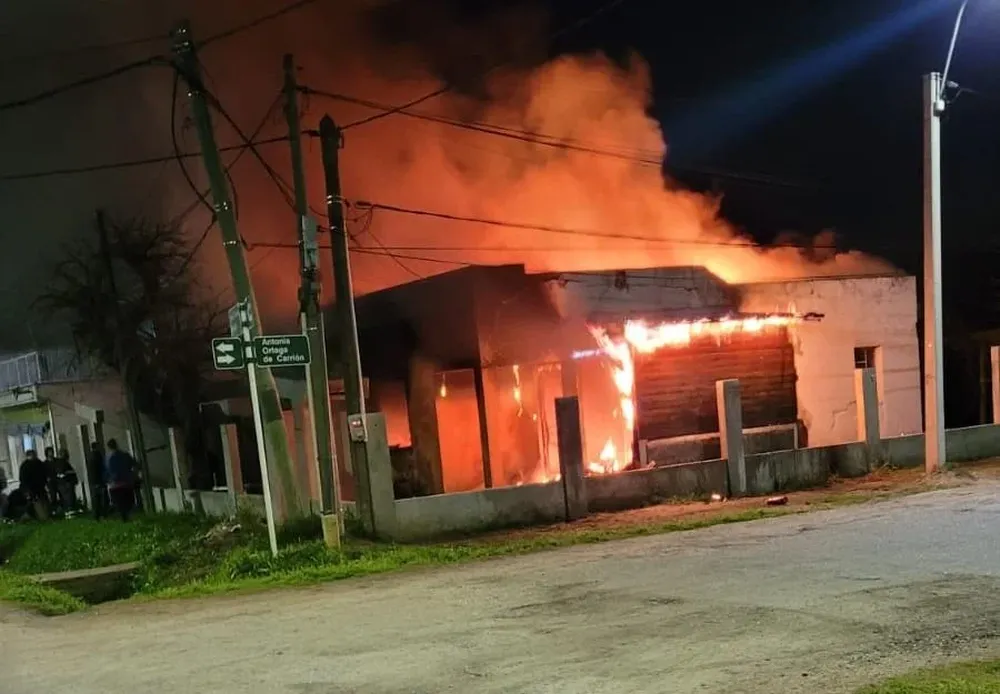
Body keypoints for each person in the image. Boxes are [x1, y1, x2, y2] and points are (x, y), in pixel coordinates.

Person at [104, 439, 137, 522]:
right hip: (126, 483)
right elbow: (134, 464)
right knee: (128, 502)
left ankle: (123, 517)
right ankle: (127, 516)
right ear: (116, 445)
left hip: (114, 484)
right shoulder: (125, 455)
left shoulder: (107, 458)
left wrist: (107, 480)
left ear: (108, 447)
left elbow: (105, 471)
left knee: (119, 503)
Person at [18, 449, 49, 519]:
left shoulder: (38, 463)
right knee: (36, 502)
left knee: (42, 501)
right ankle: (40, 515)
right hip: (31, 488)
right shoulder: (26, 466)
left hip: (39, 487)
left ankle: (42, 514)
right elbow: (23, 479)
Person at [88, 442, 108, 519]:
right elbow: (100, 468)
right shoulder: (97, 456)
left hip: (93, 481)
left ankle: (96, 515)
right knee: (101, 499)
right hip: (99, 480)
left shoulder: (90, 456)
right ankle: (102, 514)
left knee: (96, 499)